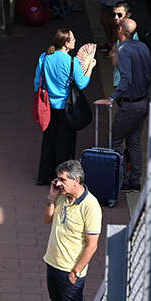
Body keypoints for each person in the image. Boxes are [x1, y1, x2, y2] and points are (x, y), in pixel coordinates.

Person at [42, 160, 102, 301]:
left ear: (76, 180)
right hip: (52, 263)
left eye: (62, 180)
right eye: (57, 179)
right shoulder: (60, 196)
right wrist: (51, 199)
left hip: (70, 272)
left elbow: (92, 245)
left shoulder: (90, 206)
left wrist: (76, 270)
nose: (58, 183)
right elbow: (47, 219)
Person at [34, 29, 96, 187]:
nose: (75, 41)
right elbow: (82, 84)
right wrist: (90, 67)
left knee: (48, 140)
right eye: (73, 39)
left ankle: (45, 176)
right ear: (66, 43)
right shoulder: (71, 62)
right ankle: (62, 178)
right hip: (67, 108)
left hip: (48, 107)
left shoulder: (44, 57)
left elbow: (37, 82)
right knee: (66, 143)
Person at [97, 18, 151, 191]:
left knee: (114, 141)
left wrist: (112, 98)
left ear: (121, 30)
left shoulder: (123, 50)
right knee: (134, 142)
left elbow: (126, 79)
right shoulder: (143, 47)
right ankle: (134, 181)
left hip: (129, 105)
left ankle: (117, 179)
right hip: (143, 102)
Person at [108, 2, 137, 88]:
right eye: (114, 14)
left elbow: (116, 61)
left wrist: (113, 54)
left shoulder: (129, 39)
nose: (116, 17)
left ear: (128, 15)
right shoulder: (122, 30)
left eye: (119, 14)